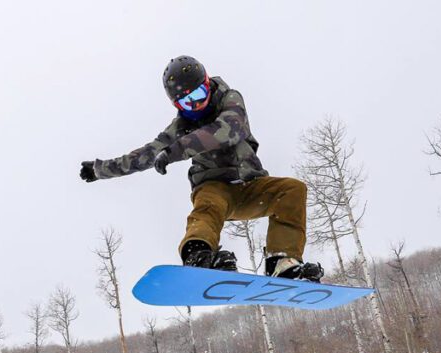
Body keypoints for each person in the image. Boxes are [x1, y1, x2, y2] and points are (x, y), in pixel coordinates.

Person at [80, 55, 323, 282]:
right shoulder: (182, 125)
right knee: (209, 203)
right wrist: (101, 169)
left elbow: (229, 129)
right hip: (214, 186)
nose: (196, 104)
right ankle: (199, 253)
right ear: (177, 105)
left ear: (208, 83)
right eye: (187, 101)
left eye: (199, 93)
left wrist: (177, 150)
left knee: (292, 190)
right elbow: (146, 154)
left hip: (250, 187)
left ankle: (281, 261)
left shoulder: (230, 99)